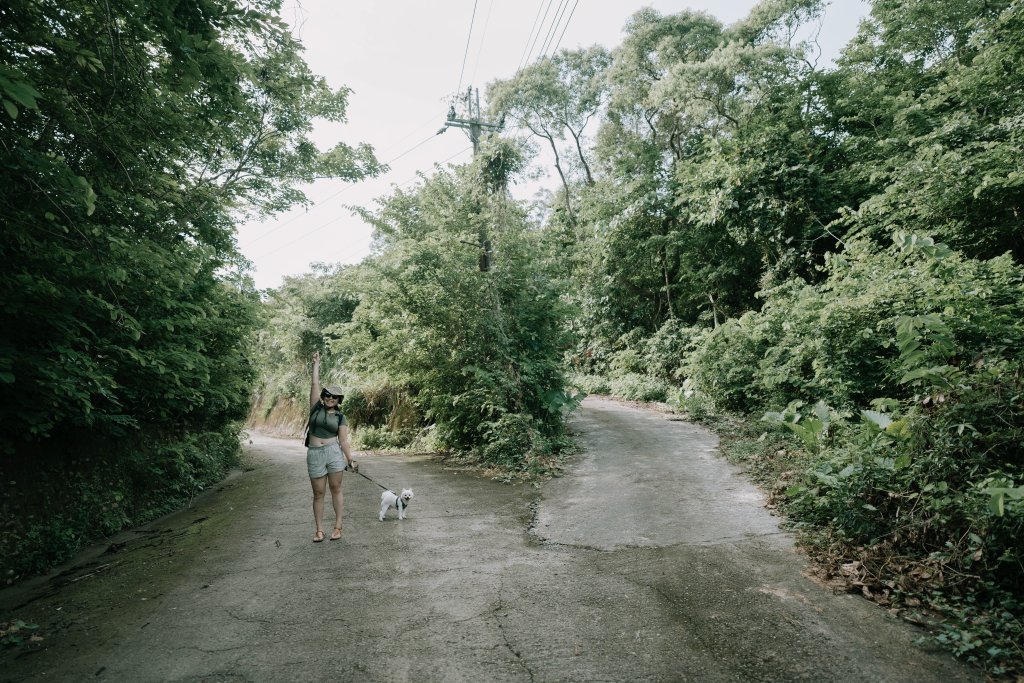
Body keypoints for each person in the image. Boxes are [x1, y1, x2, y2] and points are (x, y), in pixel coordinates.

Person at [306, 351, 356, 542]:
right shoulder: (315, 408)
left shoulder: (340, 417)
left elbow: (343, 440)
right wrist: (316, 364)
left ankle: (338, 527)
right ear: (323, 397)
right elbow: (314, 385)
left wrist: (350, 459)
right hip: (315, 453)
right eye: (327, 395)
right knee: (318, 493)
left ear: (338, 400)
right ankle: (319, 530)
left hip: (334, 453)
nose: (330, 399)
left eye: (334, 397)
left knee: (336, 489)